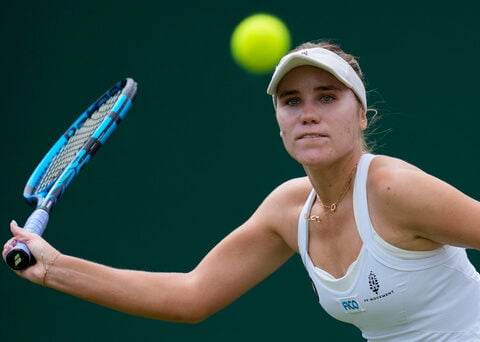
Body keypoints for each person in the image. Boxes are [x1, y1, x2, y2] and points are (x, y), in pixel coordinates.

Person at [4, 40, 480, 341]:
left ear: (361, 116)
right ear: (279, 125)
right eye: (291, 101)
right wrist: (55, 268)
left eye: (328, 97)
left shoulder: (393, 188)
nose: (308, 113)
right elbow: (192, 297)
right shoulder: (287, 210)